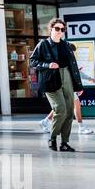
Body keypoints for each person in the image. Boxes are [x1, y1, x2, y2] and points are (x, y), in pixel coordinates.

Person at [30, 18, 82, 152]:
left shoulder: (66, 45)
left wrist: (78, 86)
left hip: (67, 78)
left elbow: (73, 67)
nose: (60, 31)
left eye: (62, 29)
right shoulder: (43, 44)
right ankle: (52, 138)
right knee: (60, 109)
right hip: (51, 80)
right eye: (57, 29)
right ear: (51, 29)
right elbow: (33, 61)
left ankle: (64, 143)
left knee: (70, 112)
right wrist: (47, 65)